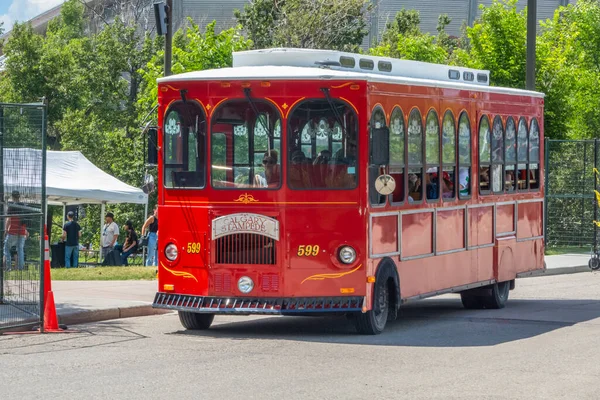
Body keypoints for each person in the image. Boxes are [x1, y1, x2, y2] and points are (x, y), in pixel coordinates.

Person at [3, 190, 28, 271]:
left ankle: (8, 267)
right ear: (19, 196)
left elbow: (8, 219)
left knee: (6, 248)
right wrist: (26, 231)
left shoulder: (11, 206)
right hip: (22, 232)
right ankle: (21, 268)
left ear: (12, 197)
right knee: (20, 250)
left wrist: (6, 230)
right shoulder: (23, 206)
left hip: (13, 231)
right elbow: (25, 220)